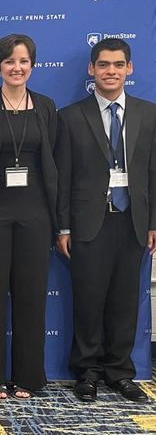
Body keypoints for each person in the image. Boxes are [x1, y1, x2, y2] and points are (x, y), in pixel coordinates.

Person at [56, 38, 156, 403]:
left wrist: (153, 222)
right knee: (88, 299)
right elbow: (62, 177)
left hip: (133, 220)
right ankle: (87, 372)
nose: (110, 71)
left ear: (129, 68)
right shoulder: (70, 117)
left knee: (125, 301)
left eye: (117, 65)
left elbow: (154, 172)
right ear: (91, 69)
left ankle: (120, 372)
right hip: (87, 222)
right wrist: (63, 226)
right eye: (103, 64)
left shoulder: (149, 114)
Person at [0, 34, 58, 400]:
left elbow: (55, 167)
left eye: (24, 62)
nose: (17, 68)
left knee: (32, 296)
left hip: (36, 215)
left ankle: (29, 376)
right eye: (9, 62)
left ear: (32, 66)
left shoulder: (47, 107)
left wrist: (58, 220)